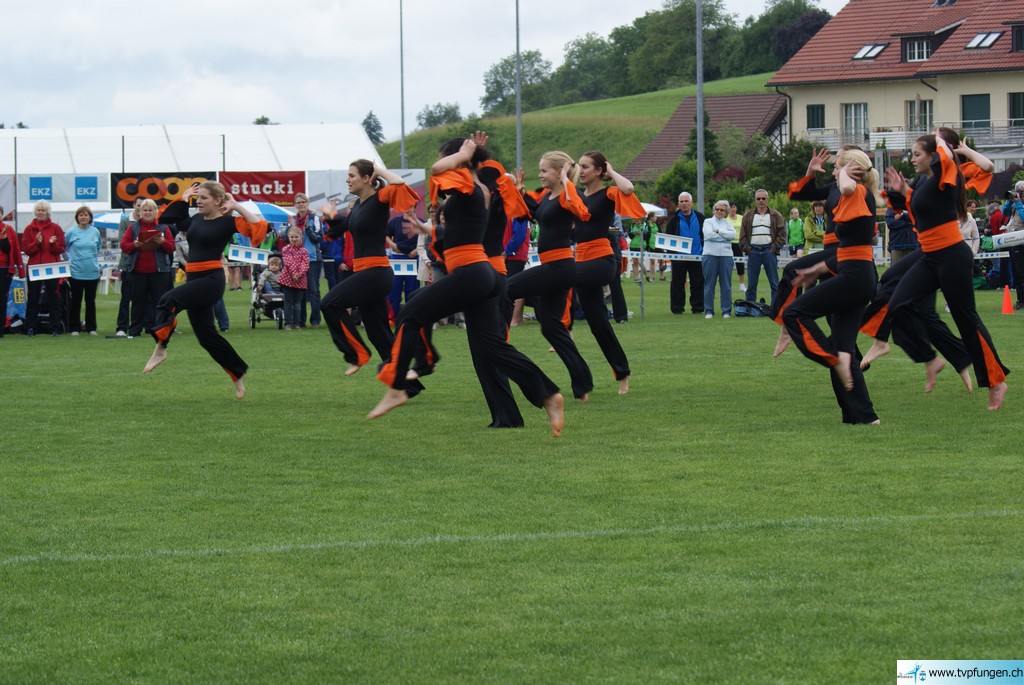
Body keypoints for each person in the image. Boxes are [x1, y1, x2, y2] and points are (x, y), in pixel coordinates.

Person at [371, 134, 565, 436]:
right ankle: (547, 394)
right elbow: (461, 232)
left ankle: (404, 381)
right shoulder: (475, 190)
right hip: (481, 274)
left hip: (473, 272)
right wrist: (428, 228)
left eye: (449, 157)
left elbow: (437, 169)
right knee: (492, 347)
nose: (444, 163)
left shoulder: (468, 185)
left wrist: (462, 154)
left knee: (410, 314)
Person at [886, 132, 1008, 410]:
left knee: (966, 320)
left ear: (933, 155)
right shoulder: (924, 183)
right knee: (897, 304)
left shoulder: (948, 171)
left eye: (917, 154)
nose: (912, 159)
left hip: (952, 256)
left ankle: (995, 381)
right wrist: (903, 191)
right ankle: (930, 359)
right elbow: (921, 212)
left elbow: (969, 161)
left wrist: (944, 140)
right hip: (930, 256)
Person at [142, 181, 267, 399]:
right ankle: (237, 375)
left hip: (211, 280)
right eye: (197, 197)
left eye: (204, 198)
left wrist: (236, 206)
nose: (198, 201)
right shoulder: (196, 219)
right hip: (194, 278)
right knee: (206, 336)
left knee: (168, 300)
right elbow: (167, 218)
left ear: (218, 201)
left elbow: (259, 229)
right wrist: (183, 199)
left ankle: (161, 349)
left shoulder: (228, 222)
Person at [783, 148, 880, 425]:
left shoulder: (856, 191)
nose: (834, 172)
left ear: (851, 170)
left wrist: (846, 173)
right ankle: (862, 416)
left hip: (854, 277)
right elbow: (848, 250)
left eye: (837, 167)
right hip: (853, 273)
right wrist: (818, 269)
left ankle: (834, 359)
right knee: (843, 345)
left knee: (794, 313)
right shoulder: (854, 194)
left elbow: (847, 186)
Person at [507, 150, 594, 401]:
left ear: (559, 172)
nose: (540, 175)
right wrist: (521, 192)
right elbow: (533, 213)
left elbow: (582, 209)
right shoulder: (548, 197)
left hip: (559, 267)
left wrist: (567, 180)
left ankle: (498, 342)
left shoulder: (568, 194)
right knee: (551, 328)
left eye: (544, 171)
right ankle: (583, 384)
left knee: (506, 288)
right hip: (553, 267)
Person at [320, 160, 418, 376]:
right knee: (378, 333)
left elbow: (399, 184)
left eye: (352, 175)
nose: (347, 180)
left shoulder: (380, 198)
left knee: (329, 304)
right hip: (367, 273)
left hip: (376, 273)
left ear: (366, 178)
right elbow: (344, 226)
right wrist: (332, 215)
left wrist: (379, 171)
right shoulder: (358, 206)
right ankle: (405, 384)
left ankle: (356, 354)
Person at [576, 150, 643, 393]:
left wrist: (612, 171)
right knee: (598, 325)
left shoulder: (609, 193)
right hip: (581, 259)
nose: (581, 171)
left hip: (602, 259)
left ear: (598, 171)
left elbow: (628, 188)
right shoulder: (576, 196)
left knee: (561, 278)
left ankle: (563, 330)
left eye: (586, 166)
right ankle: (622, 372)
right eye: (579, 166)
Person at [120, 199, 175, 338]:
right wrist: (134, 244)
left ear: (155, 212)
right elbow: (124, 246)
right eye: (145, 210)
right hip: (137, 272)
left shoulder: (163, 228)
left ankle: (160, 330)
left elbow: (171, 247)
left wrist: (162, 242)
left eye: (150, 210)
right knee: (137, 303)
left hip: (159, 272)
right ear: (140, 212)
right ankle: (134, 332)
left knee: (160, 303)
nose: (147, 212)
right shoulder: (132, 228)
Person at [22, 200, 66, 336]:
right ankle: (31, 327)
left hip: (51, 267)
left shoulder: (56, 228)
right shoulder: (28, 229)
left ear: (48, 212)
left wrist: (52, 244)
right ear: (35, 212)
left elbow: (61, 249)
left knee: (54, 297)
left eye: (43, 210)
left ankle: (55, 327)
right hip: (35, 267)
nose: (40, 212)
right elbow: (26, 250)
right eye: (39, 210)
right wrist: (36, 243)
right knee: (33, 298)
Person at [739, 189, 785, 306]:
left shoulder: (776, 215)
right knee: (751, 284)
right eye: (758, 198)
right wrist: (748, 249)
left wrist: (773, 249)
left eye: (763, 198)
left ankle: (775, 308)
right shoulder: (748, 215)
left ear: (767, 200)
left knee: (774, 283)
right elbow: (742, 235)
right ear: (755, 200)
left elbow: (782, 235)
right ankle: (750, 307)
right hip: (753, 252)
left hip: (769, 252)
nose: (761, 201)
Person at [664, 192, 704, 314]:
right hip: (679, 257)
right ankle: (677, 308)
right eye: (681, 201)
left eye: (686, 201)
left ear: (691, 203)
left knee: (698, 283)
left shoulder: (700, 217)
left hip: (697, 256)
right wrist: (673, 254)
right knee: (677, 283)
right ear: (678, 204)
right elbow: (668, 238)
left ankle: (698, 308)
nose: (684, 204)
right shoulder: (673, 219)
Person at [64, 205, 102, 336]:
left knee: (90, 302)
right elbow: (65, 247)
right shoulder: (71, 232)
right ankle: (74, 328)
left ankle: (91, 328)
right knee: (76, 301)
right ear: (77, 218)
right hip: (76, 272)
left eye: (86, 215)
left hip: (92, 272)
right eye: (81, 215)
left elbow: (98, 247)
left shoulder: (95, 232)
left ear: (90, 217)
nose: (83, 217)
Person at [290, 193, 323, 328]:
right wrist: (289, 228)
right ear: (295, 205)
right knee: (300, 291)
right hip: (297, 259)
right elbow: (287, 239)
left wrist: (308, 229)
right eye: (298, 202)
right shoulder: (293, 219)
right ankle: (300, 320)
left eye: (303, 202)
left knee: (313, 290)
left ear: (307, 203)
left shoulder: (314, 218)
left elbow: (319, 238)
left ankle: (315, 320)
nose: (301, 204)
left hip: (313, 258)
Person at [701, 199, 736, 318]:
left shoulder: (728, 224)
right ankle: (709, 310)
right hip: (710, 255)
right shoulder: (707, 221)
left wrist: (719, 231)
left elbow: (732, 236)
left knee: (726, 285)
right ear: (714, 210)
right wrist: (724, 236)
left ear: (726, 212)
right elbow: (708, 235)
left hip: (726, 255)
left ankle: (726, 310)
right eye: (717, 209)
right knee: (709, 284)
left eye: (722, 210)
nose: (719, 211)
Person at [115, 198, 143, 336]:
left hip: (143, 265)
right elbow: (123, 243)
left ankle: (144, 325)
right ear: (134, 205)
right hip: (127, 265)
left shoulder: (148, 221)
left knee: (144, 299)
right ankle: (122, 327)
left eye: (143, 206)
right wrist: (135, 244)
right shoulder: (126, 222)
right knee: (126, 298)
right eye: (139, 205)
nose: (140, 208)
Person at [386, 212, 421, 321]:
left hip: (413, 259)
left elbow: (426, 238)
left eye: (410, 205)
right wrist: (393, 245)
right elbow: (386, 235)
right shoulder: (395, 222)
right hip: (397, 259)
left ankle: (411, 317)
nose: (407, 207)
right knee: (394, 288)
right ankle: (392, 317)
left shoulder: (420, 222)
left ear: (414, 206)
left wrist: (417, 250)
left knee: (412, 289)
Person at [0, 206, 24, 337]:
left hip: (4, 270)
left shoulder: (8, 229)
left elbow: (11, 250)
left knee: (1, 299)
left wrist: (4, 238)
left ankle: (1, 329)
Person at [279, 227, 310, 330]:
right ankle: (288, 323)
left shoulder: (304, 251)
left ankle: (297, 323)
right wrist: (294, 274)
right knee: (288, 302)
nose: (294, 239)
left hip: (300, 281)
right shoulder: (285, 249)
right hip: (287, 279)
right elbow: (288, 262)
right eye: (292, 237)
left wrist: (299, 274)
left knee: (297, 304)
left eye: (296, 237)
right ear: (288, 237)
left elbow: (305, 264)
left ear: (301, 237)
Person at [727, 202, 746, 291]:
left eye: (734, 207)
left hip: (739, 243)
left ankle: (742, 285)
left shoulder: (741, 217)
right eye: (731, 207)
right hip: (728, 243)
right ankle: (727, 284)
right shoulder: (725, 218)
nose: (733, 209)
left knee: (740, 264)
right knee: (728, 264)